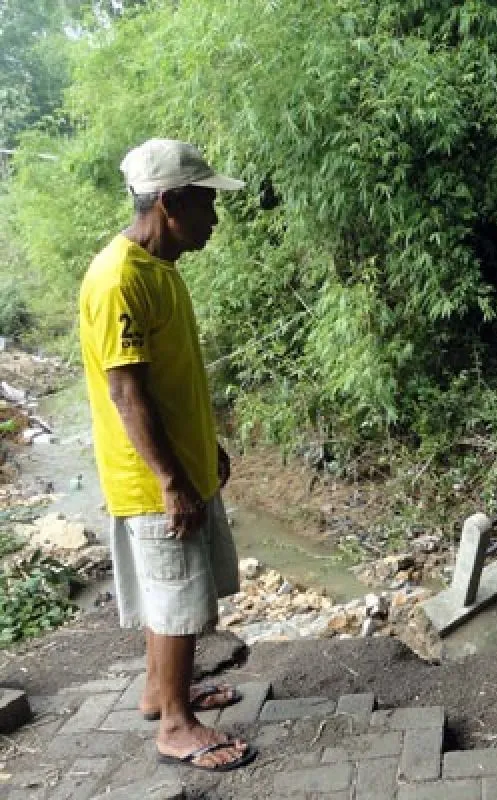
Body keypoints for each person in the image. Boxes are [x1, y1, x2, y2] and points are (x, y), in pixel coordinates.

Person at [78, 138, 256, 772]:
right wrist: (170, 480)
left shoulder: (159, 269)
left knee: (170, 594)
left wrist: (205, 447)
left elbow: (169, 381)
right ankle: (177, 727)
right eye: (207, 203)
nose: (215, 218)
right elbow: (126, 392)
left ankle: (161, 694)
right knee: (178, 598)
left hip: (179, 463)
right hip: (152, 478)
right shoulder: (119, 280)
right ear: (170, 202)